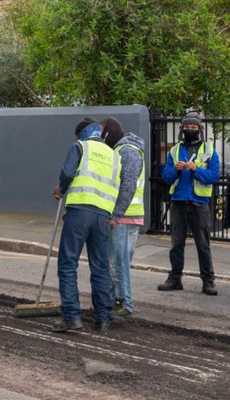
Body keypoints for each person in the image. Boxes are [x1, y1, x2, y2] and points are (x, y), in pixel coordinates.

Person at [51, 117, 120, 334]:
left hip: (79, 211)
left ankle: (72, 316)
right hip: (102, 215)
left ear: (82, 133)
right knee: (100, 267)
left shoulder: (80, 146)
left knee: (68, 263)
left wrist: (61, 188)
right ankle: (102, 319)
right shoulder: (114, 155)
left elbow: (68, 173)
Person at [159, 112, 220, 295]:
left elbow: (214, 176)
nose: (190, 130)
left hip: (199, 202)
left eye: (194, 127)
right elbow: (166, 177)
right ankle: (175, 279)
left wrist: (196, 170)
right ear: (182, 129)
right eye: (187, 127)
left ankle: (208, 281)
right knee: (177, 244)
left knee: (203, 244)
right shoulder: (174, 150)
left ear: (199, 130)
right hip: (178, 201)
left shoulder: (209, 151)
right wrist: (176, 171)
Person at [100, 117, 146, 318]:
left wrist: (115, 215)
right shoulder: (123, 149)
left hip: (124, 217)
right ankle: (114, 304)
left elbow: (128, 186)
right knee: (119, 264)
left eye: (102, 133)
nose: (101, 138)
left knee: (117, 265)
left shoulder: (126, 151)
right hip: (127, 216)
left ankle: (123, 306)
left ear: (109, 132)